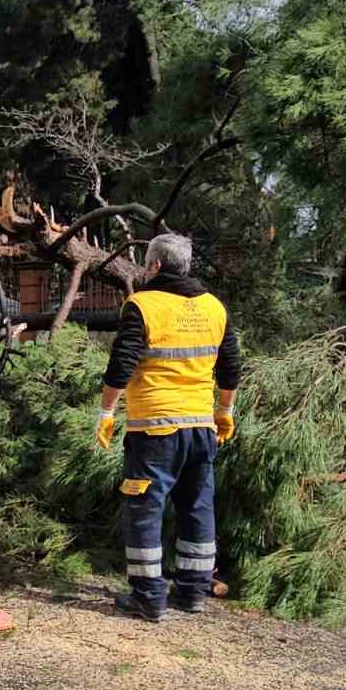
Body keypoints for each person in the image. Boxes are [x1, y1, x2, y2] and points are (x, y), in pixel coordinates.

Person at [96, 233, 241, 624]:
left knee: (146, 509)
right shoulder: (215, 308)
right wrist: (224, 411)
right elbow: (230, 368)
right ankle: (193, 593)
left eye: (147, 263)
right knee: (197, 507)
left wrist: (106, 412)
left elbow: (121, 366)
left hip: (154, 430)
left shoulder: (143, 306)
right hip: (200, 428)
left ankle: (148, 598)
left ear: (156, 266)